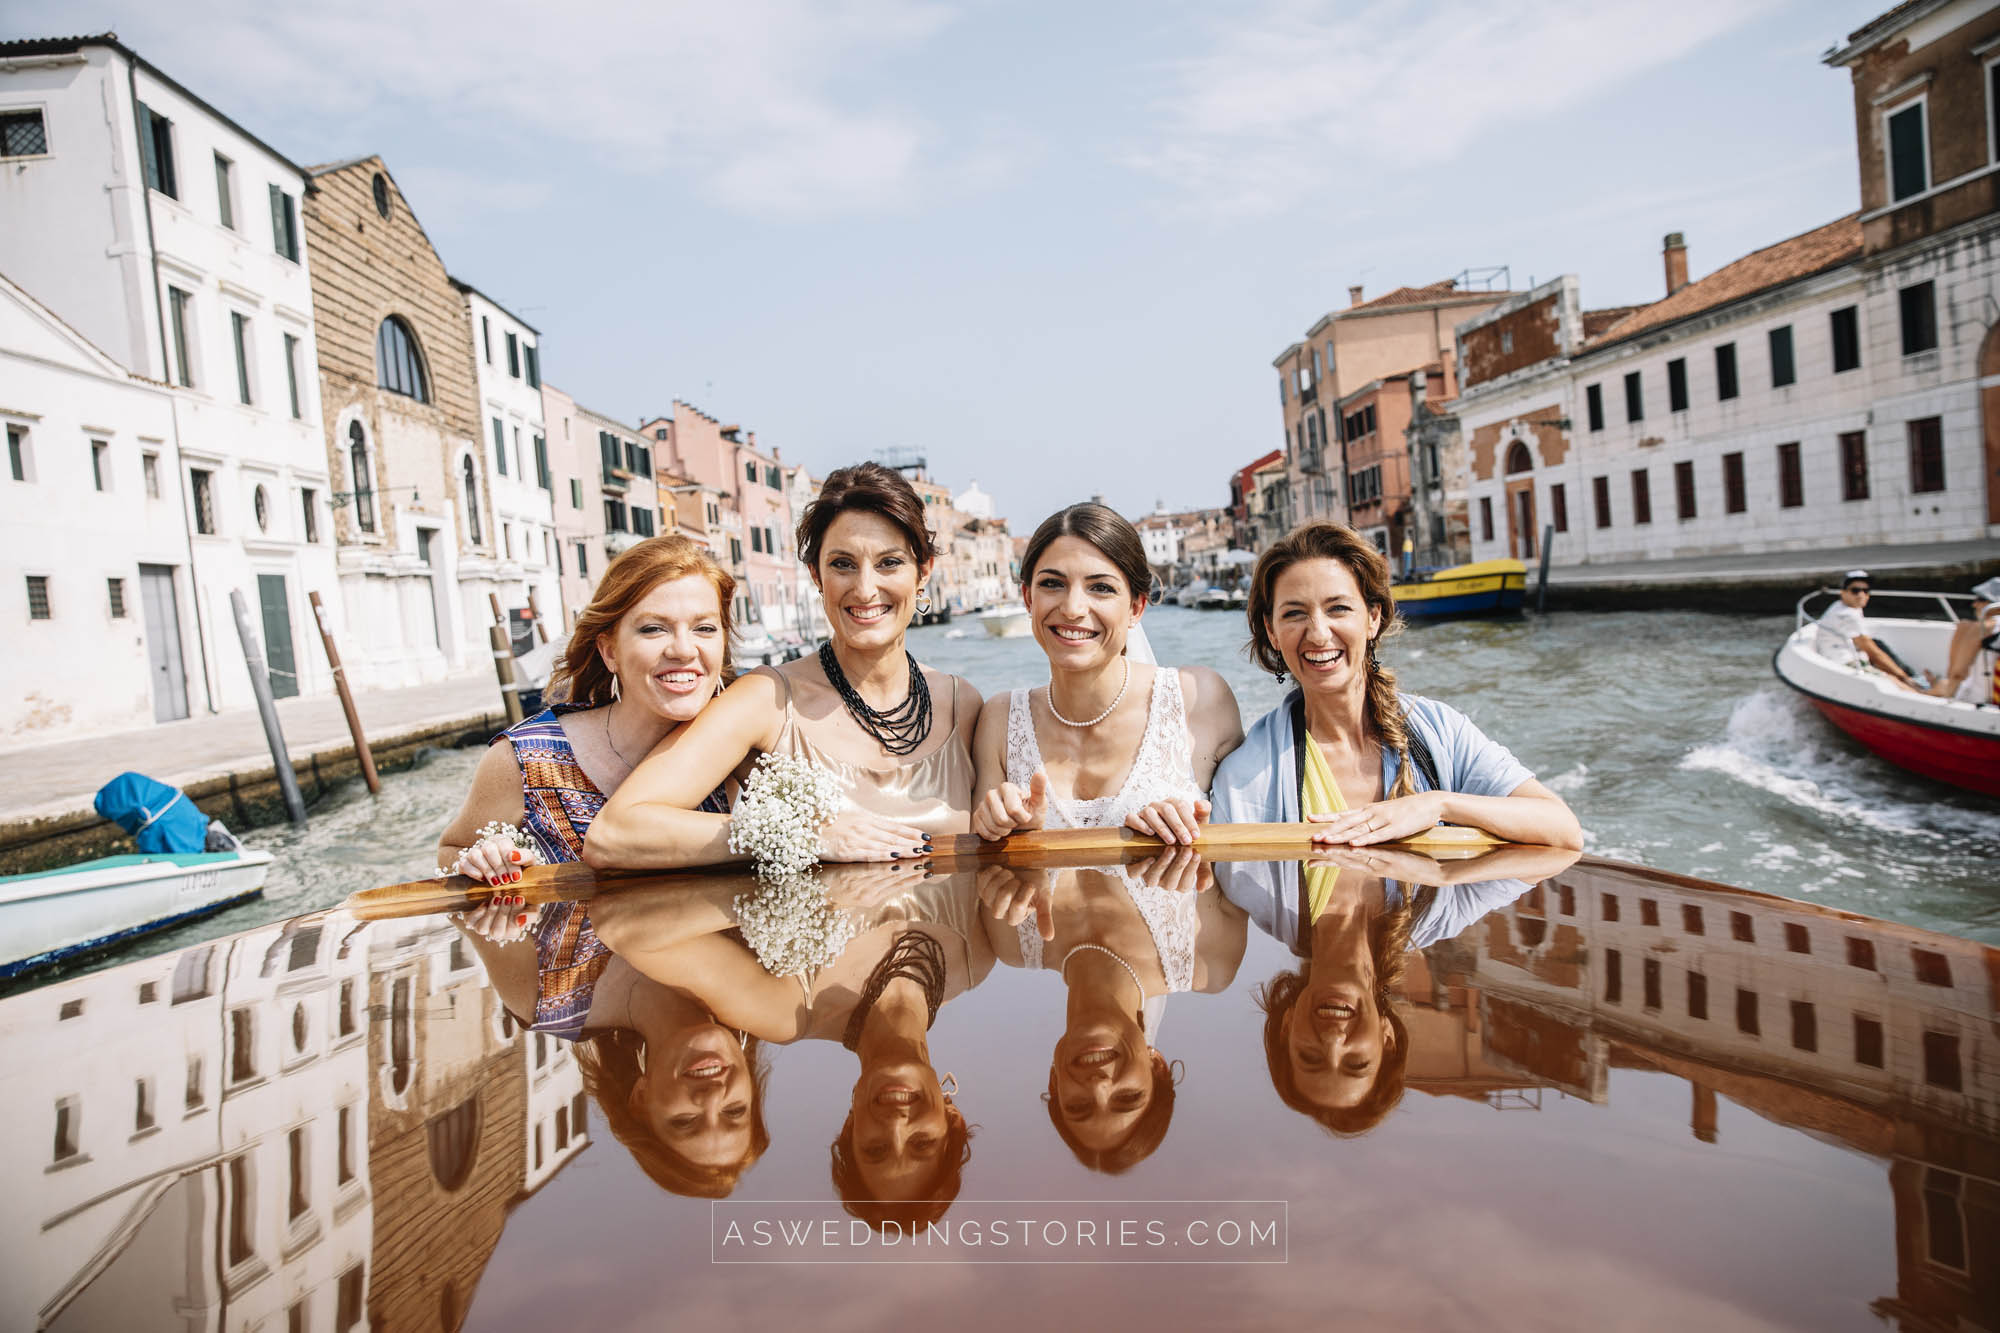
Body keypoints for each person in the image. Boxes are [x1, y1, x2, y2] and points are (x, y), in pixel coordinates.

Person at [438, 534, 763, 1195]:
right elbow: (452, 854)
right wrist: (486, 858)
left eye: (704, 627)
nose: (683, 648)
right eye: (654, 628)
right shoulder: (526, 761)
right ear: (609, 647)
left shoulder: (749, 763)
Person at [586, 463, 981, 869]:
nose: (865, 589)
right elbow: (613, 834)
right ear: (816, 575)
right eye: (842, 564)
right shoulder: (765, 700)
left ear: (924, 572)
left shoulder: (962, 704)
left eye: (889, 563)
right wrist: (799, 834)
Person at [1210, 520, 1581, 850]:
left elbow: (1563, 828)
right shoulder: (1244, 777)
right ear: (1272, 632)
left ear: (1373, 618)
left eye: (1338, 608)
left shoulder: (1440, 732)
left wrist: (1438, 803)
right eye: (1294, 613)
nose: (1319, 633)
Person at [971, 502, 1243, 845]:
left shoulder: (1200, 698)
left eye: (1100, 587)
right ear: (1028, 598)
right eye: (1052, 583)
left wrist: (1190, 829)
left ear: (1136, 607)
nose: (1072, 609)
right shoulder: (999, 719)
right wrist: (999, 829)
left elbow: (1255, 829)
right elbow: (983, 879)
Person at [978, 855, 1245, 1173]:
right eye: (1128, 1097)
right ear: (1156, 1064)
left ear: (1054, 1080)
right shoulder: (1207, 958)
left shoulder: (1009, 937)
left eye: (1078, 1106)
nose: (1099, 1086)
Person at [1812, 570, 1925, 691]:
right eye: (1855, 590)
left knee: (1878, 644)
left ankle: (1919, 683)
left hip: (1847, 657)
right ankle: (1922, 691)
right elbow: (1873, 653)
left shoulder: (1841, 606)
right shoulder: (1848, 615)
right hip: (1846, 663)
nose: (1861, 595)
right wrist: (1905, 678)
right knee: (1899, 685)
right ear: (1843, 593)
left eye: (1865, 591)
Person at [1929, 574, 2000, 702]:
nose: (1974, 604)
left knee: (1903, 684)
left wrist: (1945, 700)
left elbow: (1957, 673)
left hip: (1979, 699)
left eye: (1981, 599)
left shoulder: (1983, 628)